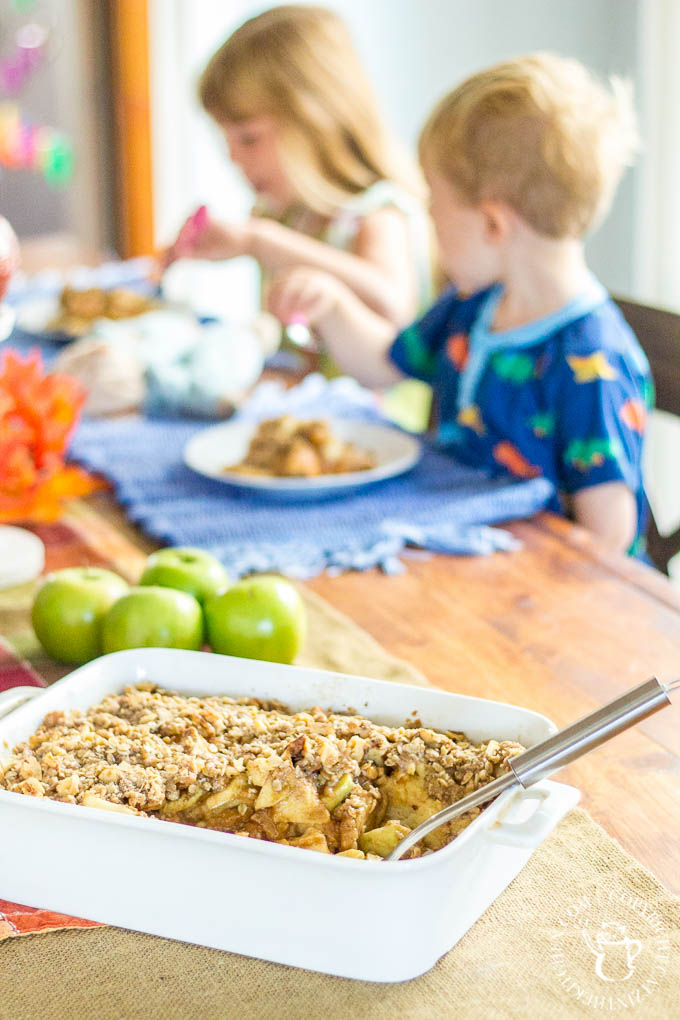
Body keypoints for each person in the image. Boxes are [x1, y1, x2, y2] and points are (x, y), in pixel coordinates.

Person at [267, 53, 652, 555]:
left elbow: (607, 535)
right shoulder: (474, 305)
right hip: (457, 554)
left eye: (434, 202)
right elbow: (384, 363)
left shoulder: (592, 362)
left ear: (493, 224)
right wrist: (335, 307)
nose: (428, 218)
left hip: (550, 598)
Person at [164, 3, 432, 421]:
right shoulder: (283, 215)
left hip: (383, 443)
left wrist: (260, 242)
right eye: (227, 141)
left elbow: (393, 304)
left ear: (315, 120)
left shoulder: (378, 212)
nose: (233, 158)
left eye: (249, 138)